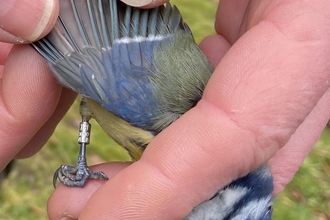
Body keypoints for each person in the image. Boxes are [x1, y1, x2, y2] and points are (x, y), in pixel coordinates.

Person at [0, 0, 329, 219]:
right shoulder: (155, 110)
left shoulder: (201, 150)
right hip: (103, 53)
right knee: (86, 79)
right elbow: (80, 40)